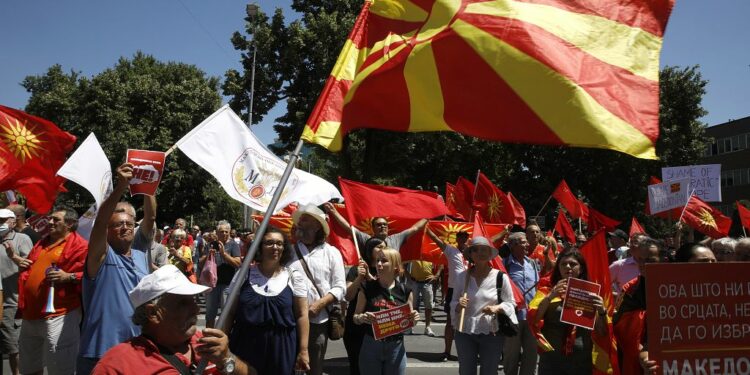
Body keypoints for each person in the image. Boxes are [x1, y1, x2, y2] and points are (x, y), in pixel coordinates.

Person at [92, 265, 255, 374]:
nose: (196, 309)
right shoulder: (118, 363)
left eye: (194, 300)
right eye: (183, 303)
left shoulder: (207, 344)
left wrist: (227, 359)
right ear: (153, 313)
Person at [77, 163, 151, 374]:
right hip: (99, 352)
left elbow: (150, 218)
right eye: (118, 224)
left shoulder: (140, 256)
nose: (125, 227)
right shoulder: (101, 256)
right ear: (107, 231)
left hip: (136, 349)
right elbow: (100, 222)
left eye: (129, 224)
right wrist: (121, 186)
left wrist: (149, 186)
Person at [225, 227, 310, 374]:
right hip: (245, 346)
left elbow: (302, 315)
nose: (275, 247)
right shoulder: (244, 273)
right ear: (259, 247)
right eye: (269, 243)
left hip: (282, 349)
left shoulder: (293, 276)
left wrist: (303, 350)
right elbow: (230, 312)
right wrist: (223, 343)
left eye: (279, 243)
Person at [17, 206, 88, 375]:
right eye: (50, 218)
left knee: (60, 368)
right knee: (28, 368)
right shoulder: (42, 242)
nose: (50, 222)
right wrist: (22, 266)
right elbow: (31, 270)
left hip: (59, 315)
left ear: (70, 224)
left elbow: (93, 275)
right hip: (30, 315)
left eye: (56, 219)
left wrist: (69, 277)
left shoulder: (81, 246)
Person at [287, 204, 346, 375]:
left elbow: (340, 287)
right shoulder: (288, 252)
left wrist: (319, 305)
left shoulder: (332, 252)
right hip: (289, 320)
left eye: (305, 218)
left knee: (314, 368)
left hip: (318, 321)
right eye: (300, 219)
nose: (300, 222)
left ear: (317, 225)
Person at [528, 250, 608, 375]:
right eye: (563, 264)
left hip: (581, 361)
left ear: (581, 269)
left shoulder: (591, 293)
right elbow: (534, 320)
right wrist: (550, 296)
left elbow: (602, 332)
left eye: (572, 264)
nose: (568, 267)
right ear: (558, 268)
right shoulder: (546, 291)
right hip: (552, 360)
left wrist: (602, 311)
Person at [451, 237, 517, 375]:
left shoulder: (500, 277)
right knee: (466, 371)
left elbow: (511, 303)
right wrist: (458, 305)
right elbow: (453, 302)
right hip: (465, 331)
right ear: (470, 254)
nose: (479, 253)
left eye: (484, 250)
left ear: (489, 254)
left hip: (492, 332)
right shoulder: (462, 277)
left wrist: (496, 308)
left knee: (489, 371)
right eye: (475, 250)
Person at [353, 247, 419, 375]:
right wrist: (362, 318)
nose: (378, 264)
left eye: (384, 261)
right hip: (371, 346)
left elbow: (409, 322)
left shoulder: (405, 291)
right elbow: (355, 317)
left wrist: (414, 318)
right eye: (377, 260)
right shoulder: (367, 288)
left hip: (396, 347)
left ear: (395, 266)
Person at [613, 237, 660, 375]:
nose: (643, 264)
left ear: (663, 259)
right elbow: (620, 325)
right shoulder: (630, 289)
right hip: (639, 358)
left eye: (650, 260)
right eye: (640, 259)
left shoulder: (677, 286)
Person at [426, 229, 469, 362]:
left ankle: (467, 353)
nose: (464, 239)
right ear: (457, 239)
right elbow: (436, 240)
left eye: (466, 237)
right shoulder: (450, 250)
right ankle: (447, 351)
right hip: (453, 290)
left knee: (468, 322)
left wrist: (504, 232)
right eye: (461, 237)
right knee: (450, 322)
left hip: (469, 290)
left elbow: (490, 242)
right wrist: (426, 228)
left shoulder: (473, 252)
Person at [343, 237, 384, 375]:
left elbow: (386, 293)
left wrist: (369, 277)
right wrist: (359, 278)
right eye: (378, 246)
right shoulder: (356, 269)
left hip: (378, 328)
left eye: (385, 246)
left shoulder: (386, 269)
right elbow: (348, 296)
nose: (382, 249)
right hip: (355, 326)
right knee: (356, 366)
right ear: (369, 249)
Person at [0, 208, 33, 375]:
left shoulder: (22, 239)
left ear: (13, 222)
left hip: (11, 304)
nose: (0, 224)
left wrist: (14, 256)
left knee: (13, 348)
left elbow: (31, 266)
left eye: (3, 220)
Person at [502, 232, 539, 375]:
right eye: (524, 242)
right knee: (511, 357)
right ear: (513, 245)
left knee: (531, 356)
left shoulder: (533, 264)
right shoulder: (505, 264)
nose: (528, 245)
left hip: (531, 317)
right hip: (513, 318)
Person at [323, 202, 426, 251]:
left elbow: (415, 228)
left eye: (385, 224)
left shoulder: (397, 238)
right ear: (373, 228)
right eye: (379, 225)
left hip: (393, 286)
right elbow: (348, 227)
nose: (383, 227)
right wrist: (333, 211)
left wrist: (429, 216)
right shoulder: (366, 239)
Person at [199, 221, 241, 328]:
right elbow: (200, 264)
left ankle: (224, 338)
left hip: (227, 285)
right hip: (212, 285)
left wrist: (224, 254)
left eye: (226, 232)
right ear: (217, 233)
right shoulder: (211, 245)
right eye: (221, 231)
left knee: (226, 314)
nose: (224, 234)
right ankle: (208, 338)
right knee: (210, 315)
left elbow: (238, 263)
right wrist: (208, 255)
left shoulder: (233, 245)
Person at [405, 257, 437, 336]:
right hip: (415, 282)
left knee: (428, 306)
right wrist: (408, 277)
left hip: (427, 282)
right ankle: (411, 326)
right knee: (413, 306)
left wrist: (436, 275)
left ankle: (427, 327)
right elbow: (403, 264)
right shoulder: (414, 253)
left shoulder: (429, 252)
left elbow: (440, 264)